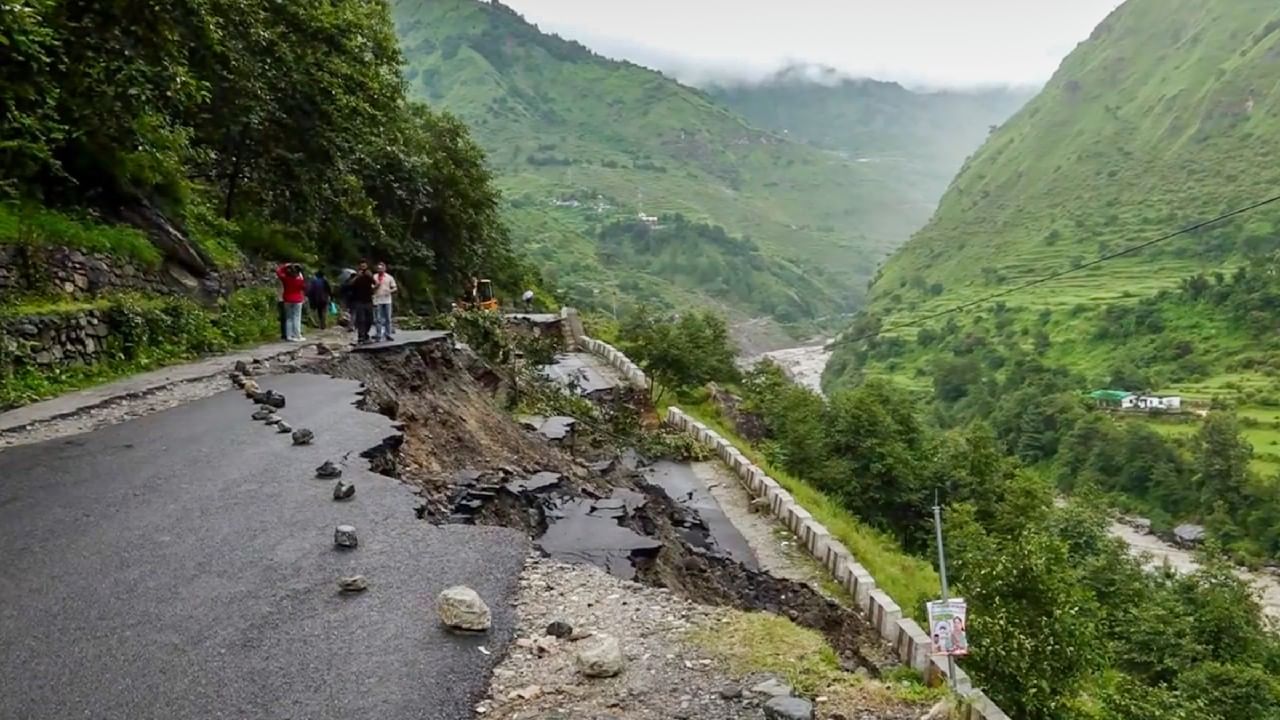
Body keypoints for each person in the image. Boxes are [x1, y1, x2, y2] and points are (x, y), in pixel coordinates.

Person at [276, 263, 308, 342]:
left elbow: (278, 271)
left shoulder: (285, 278)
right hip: (297, 299)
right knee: (297, 317)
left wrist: (286, 265)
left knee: (289, 318)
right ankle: (297, 335)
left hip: (287, 299)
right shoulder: (300, 279)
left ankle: (289, 336)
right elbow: (304, 286)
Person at [347, 262, 376, 344]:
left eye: (364, 266)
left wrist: (370, 277)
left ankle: (366, 334)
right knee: (361, 320)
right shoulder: (356, 276)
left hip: (368, 300)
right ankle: (361, 337)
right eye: (361, 266)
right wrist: (357, 276)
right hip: (358, 301)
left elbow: (376, 284)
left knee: (370, 319)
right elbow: (349, 285)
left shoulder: (369, 275)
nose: (363, 267)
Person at [371, 261, 398, 342]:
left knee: (388, 318)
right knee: (378, 319)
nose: (380, 270)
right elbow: (371, 288)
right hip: (377, 299)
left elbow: (395, 287)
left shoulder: (389, 277)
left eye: (382, 268)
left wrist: (390, 291)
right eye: (379, 268)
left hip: (387, 300)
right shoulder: (374, 277)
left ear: (385, 268)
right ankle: (378, 335)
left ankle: (388, 334)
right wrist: (376, 286)